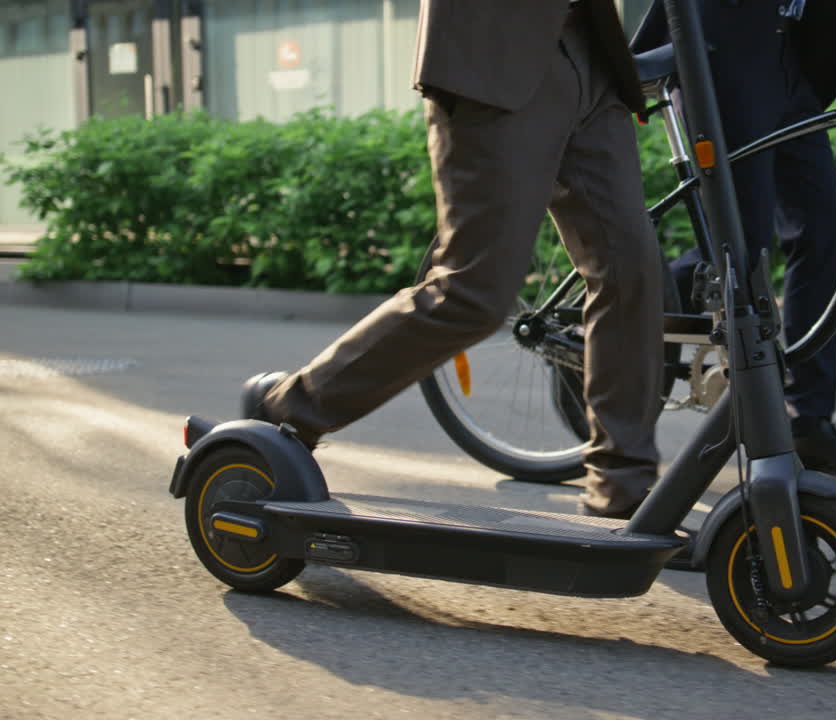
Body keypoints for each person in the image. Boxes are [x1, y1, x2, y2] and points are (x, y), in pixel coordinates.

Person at [241, 0, 665, 520]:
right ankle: (290, 407)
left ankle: (623, 490)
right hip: (492, 54)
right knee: (473, 294)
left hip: (591, 56)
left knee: (632, 273)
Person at [631, 0, 836, 481]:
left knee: (822, 231)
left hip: (795, 57)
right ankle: (617, 316)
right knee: (739, 247)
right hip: (726, 52)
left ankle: (807, 418)